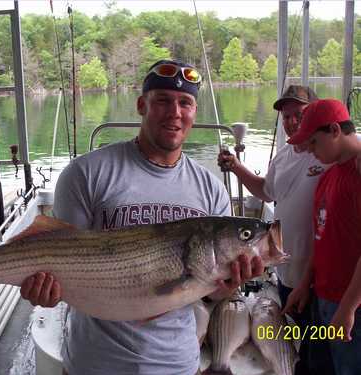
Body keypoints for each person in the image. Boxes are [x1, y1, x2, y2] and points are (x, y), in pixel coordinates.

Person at [20, 59, 264, 375]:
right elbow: (59, 259)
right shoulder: (86, 173)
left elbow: (211, 292)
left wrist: (231, 283)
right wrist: (45, 291)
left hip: (175, 364)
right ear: (141, 105)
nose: (175, 112)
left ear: (194, 113)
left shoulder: (212, 190)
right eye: (163, 100)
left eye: (185, 103)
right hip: (94, 363)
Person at [217, 85, 331, 375]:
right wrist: (236, 166)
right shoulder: (283, 155)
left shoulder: (326, 153)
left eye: (299, 114)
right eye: (287, 116)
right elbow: (266, 191)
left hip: (318, 275)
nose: (292, 121)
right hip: (286, 270)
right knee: (298, 339)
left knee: (320, 345)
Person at [284, 98, 361, 375]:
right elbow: (322, 235)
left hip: (351, 309)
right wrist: (304, 284)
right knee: (318, 366)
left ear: (335, 130)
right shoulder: (328, 176)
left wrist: (349, 308)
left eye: (314, 142)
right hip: (322, 299)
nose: (308, 149)